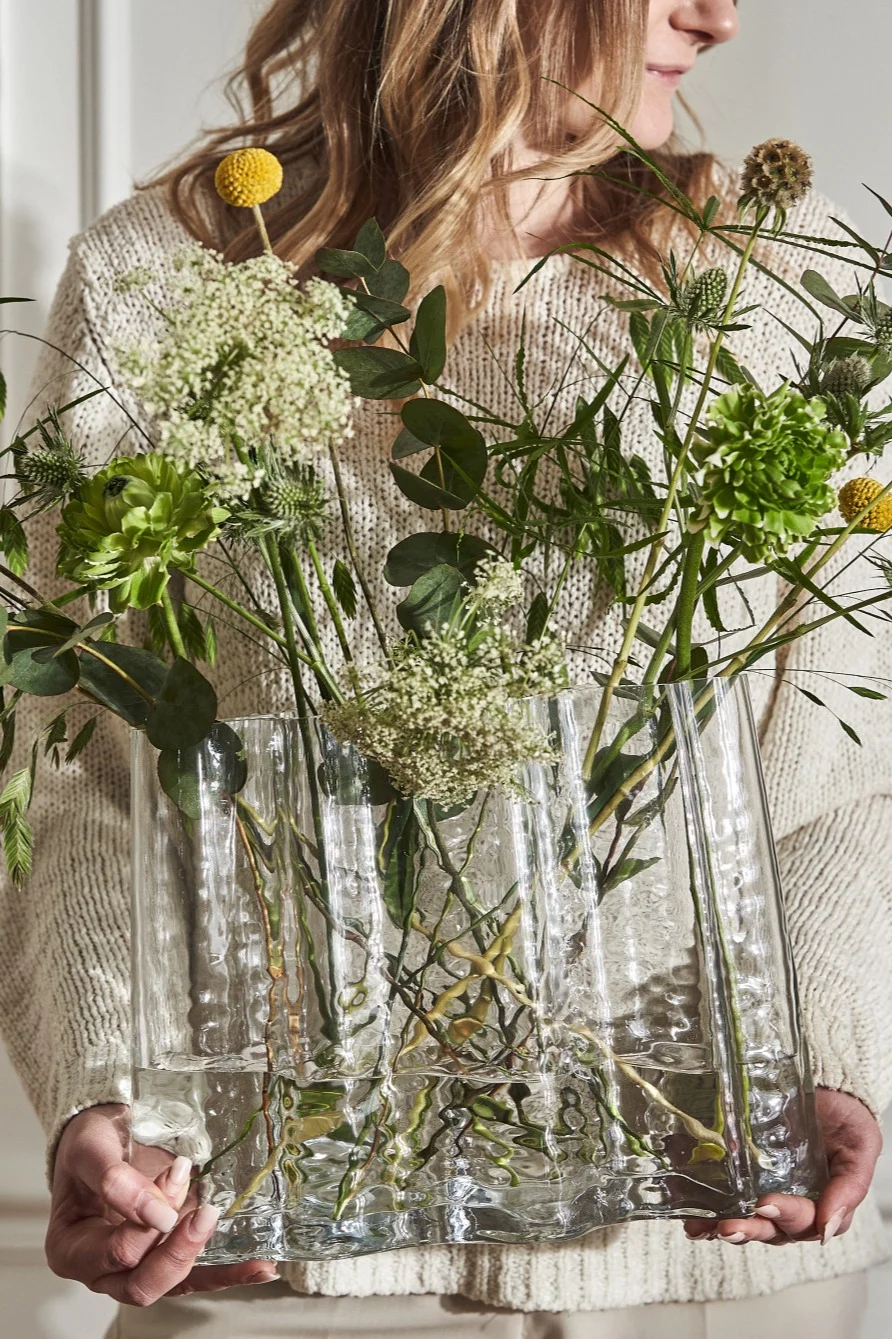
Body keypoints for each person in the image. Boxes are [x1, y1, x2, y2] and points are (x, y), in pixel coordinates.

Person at [1, 1, 890, 1335]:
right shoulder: (165, 280)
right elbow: (72, 756)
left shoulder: (775, 296)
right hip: (277, 1264)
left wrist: (821, 1055)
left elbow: (847, 768)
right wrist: (111, 1102)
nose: (720, 15)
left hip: (692, 1245)